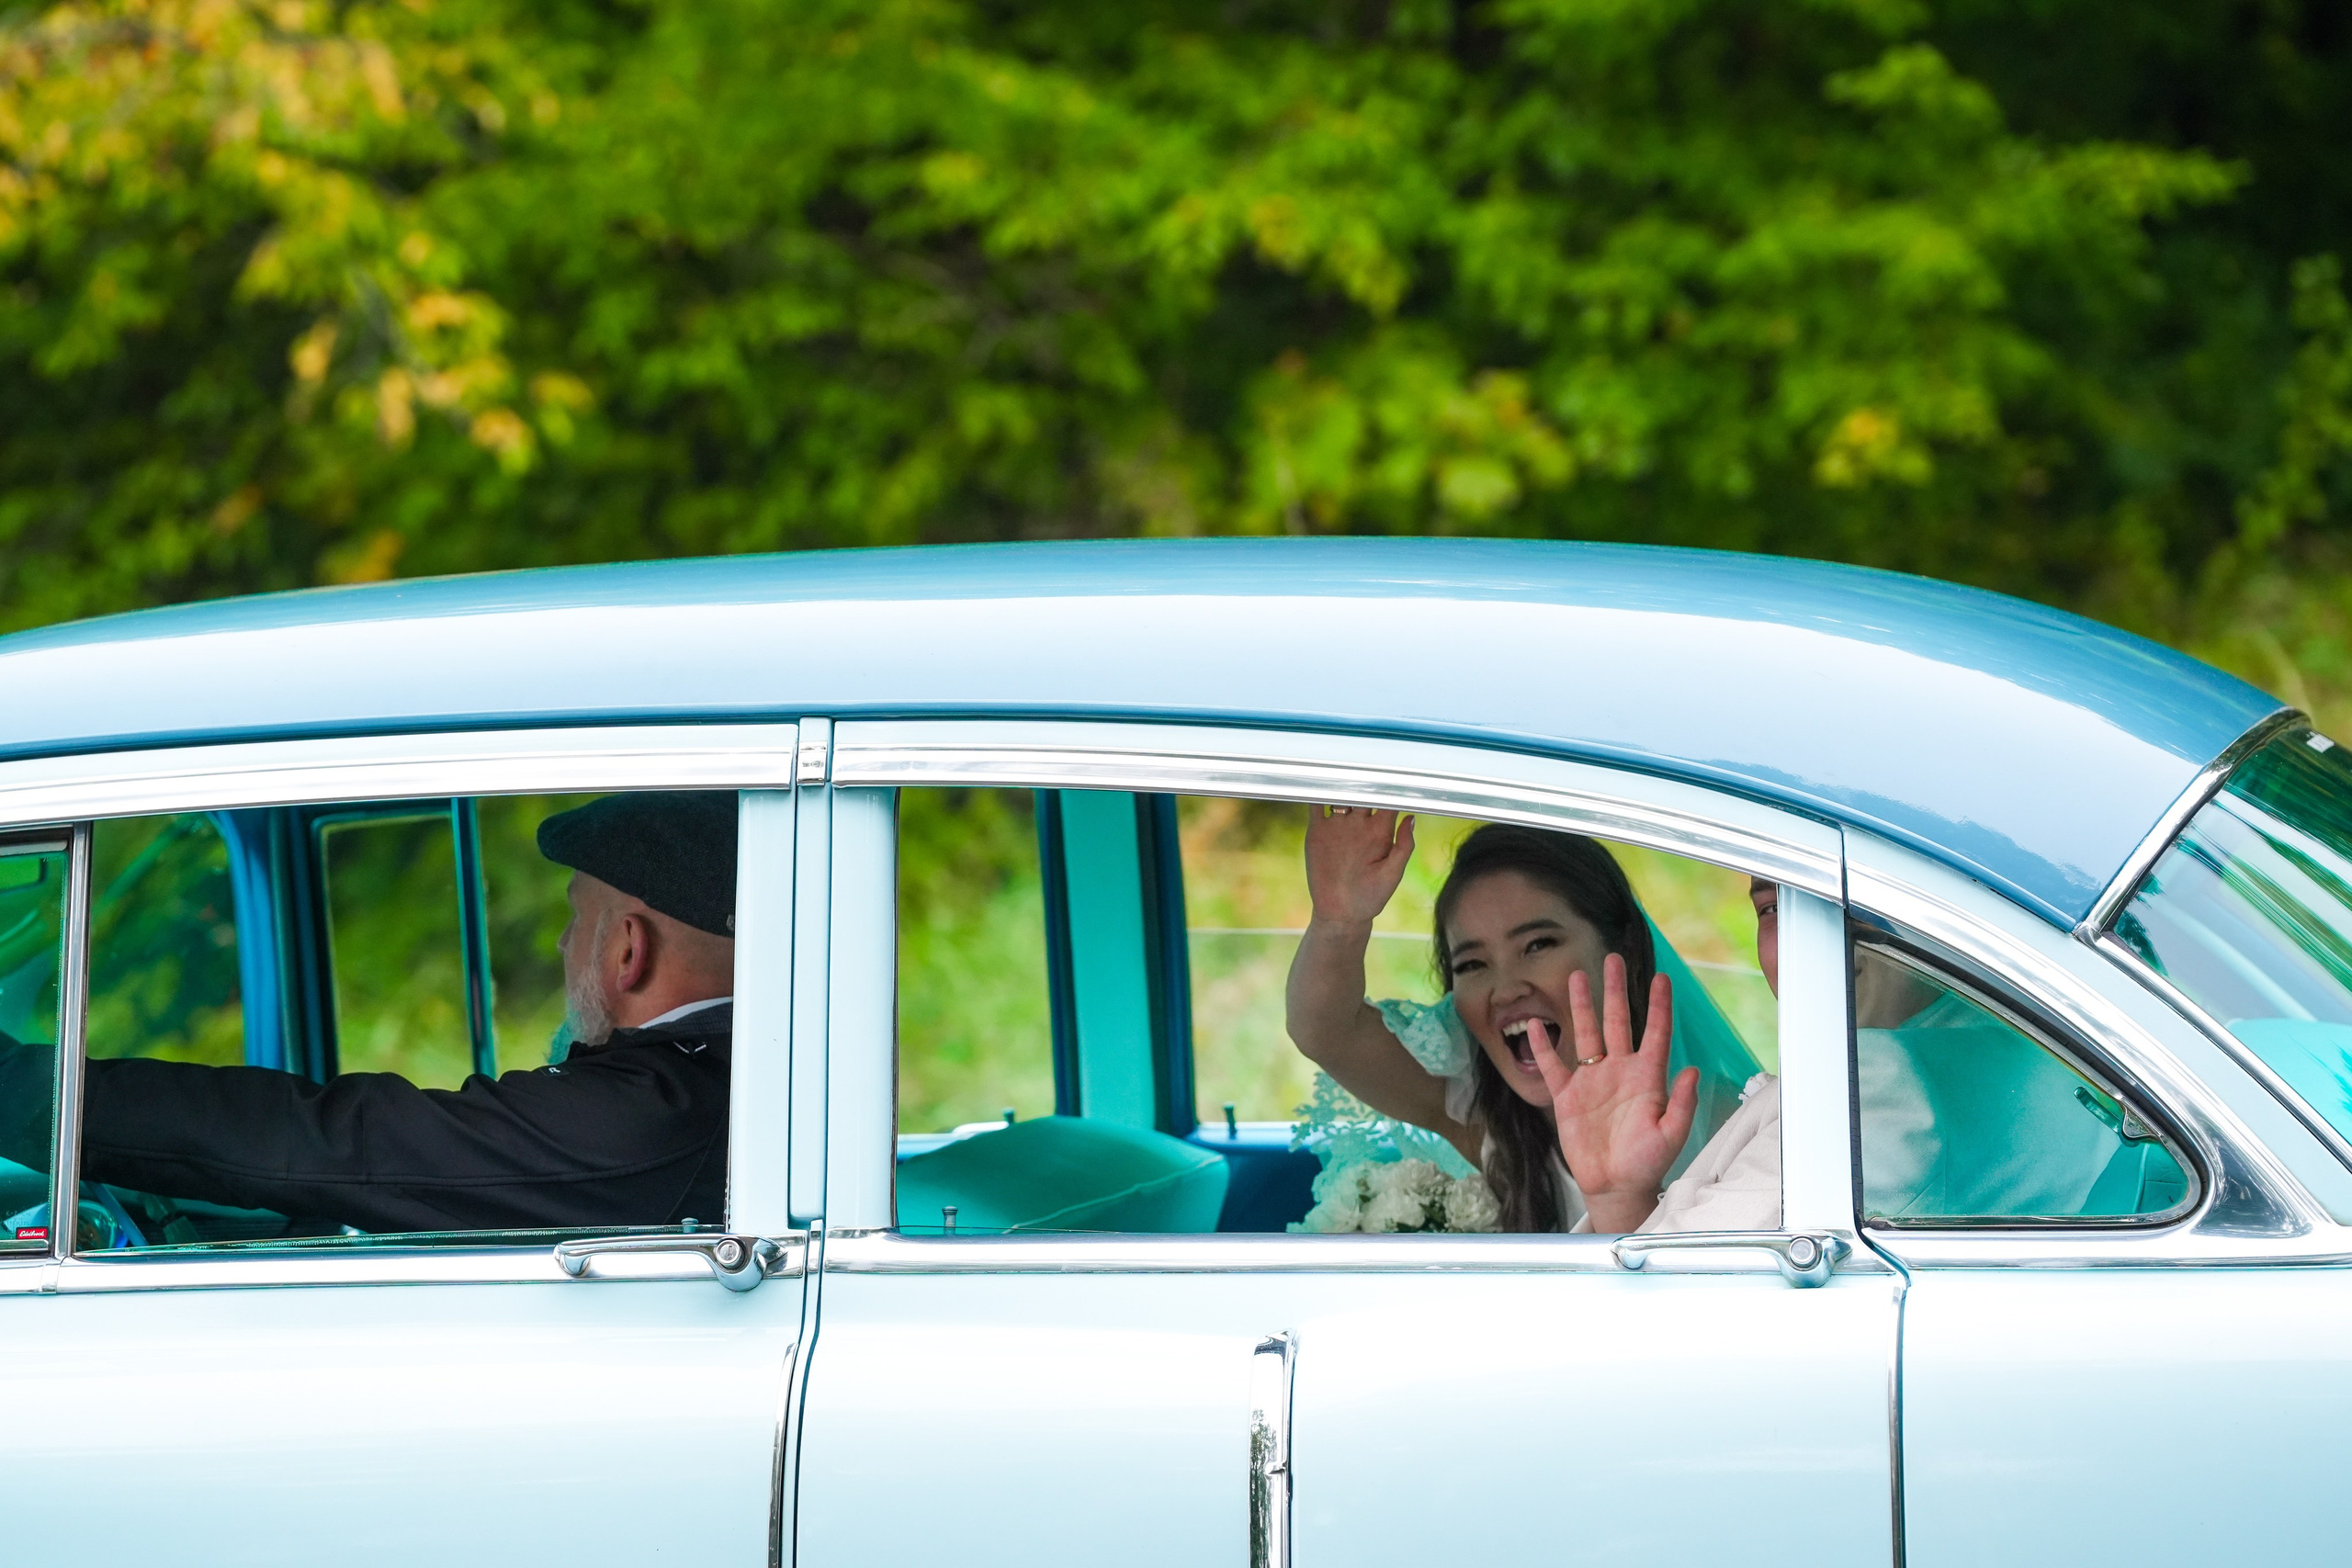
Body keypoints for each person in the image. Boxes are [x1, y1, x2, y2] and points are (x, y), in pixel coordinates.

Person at [0, 790, 740, 1235]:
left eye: (578, 920)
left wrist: (23, 1089)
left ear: (626, 950)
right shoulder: (723, 1082)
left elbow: (337, 1141)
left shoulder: (653, 1114)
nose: (558, 942)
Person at [1288, 808, 1713, 1233]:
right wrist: (1338, 921)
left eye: (1537, 944)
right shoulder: (1480, 1115)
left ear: (1620, 947)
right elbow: (1324, 1031)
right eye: (1472, 964)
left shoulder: (1726, 1127)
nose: (1506, 990)